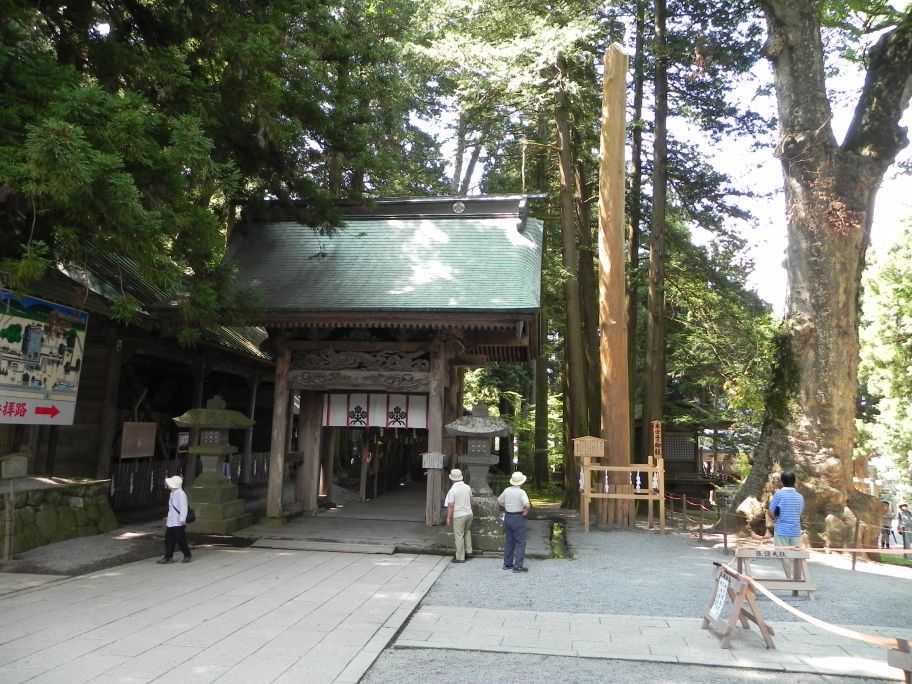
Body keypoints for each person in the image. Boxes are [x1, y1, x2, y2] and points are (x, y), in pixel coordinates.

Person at [497, 471, 530, 573]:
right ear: (521, 482)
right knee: (520, 541)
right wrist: (525, 511)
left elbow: (499, 501)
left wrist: (506, 507)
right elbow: (527, 505)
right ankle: (518, 566)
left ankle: (507, 564)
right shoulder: (521, 492)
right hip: (517, 517)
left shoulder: (507, 490)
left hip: (508, 516)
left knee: (509, 541)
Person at [158, 475, 192, 564]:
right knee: (168, 539)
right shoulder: (173, 493)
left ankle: (187, 554)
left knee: (180, 540)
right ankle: (168, 557)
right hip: (171, 521)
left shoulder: (181, 494)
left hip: (178, 522)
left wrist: (182, 519)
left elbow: (184, 507)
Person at [444, 468, 474, 563]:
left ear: (452, 479)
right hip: (469, 513)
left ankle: (460, 557)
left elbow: (450, 506)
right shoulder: (467, 487)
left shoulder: (452, 490)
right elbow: (471, 500)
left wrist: (448, 517)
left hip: (459, 515)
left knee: (459, 536)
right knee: (467, 532)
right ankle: (469, 551)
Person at [769, 470, 804, 547]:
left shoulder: (778, 495)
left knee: (782, 553)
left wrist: (777, 520)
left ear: (782, 481)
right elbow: (799, 513)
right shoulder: (800, 497)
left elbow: (771, 512)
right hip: (795, 531)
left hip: (781, 531)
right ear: (794, 481)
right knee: (795, 554)